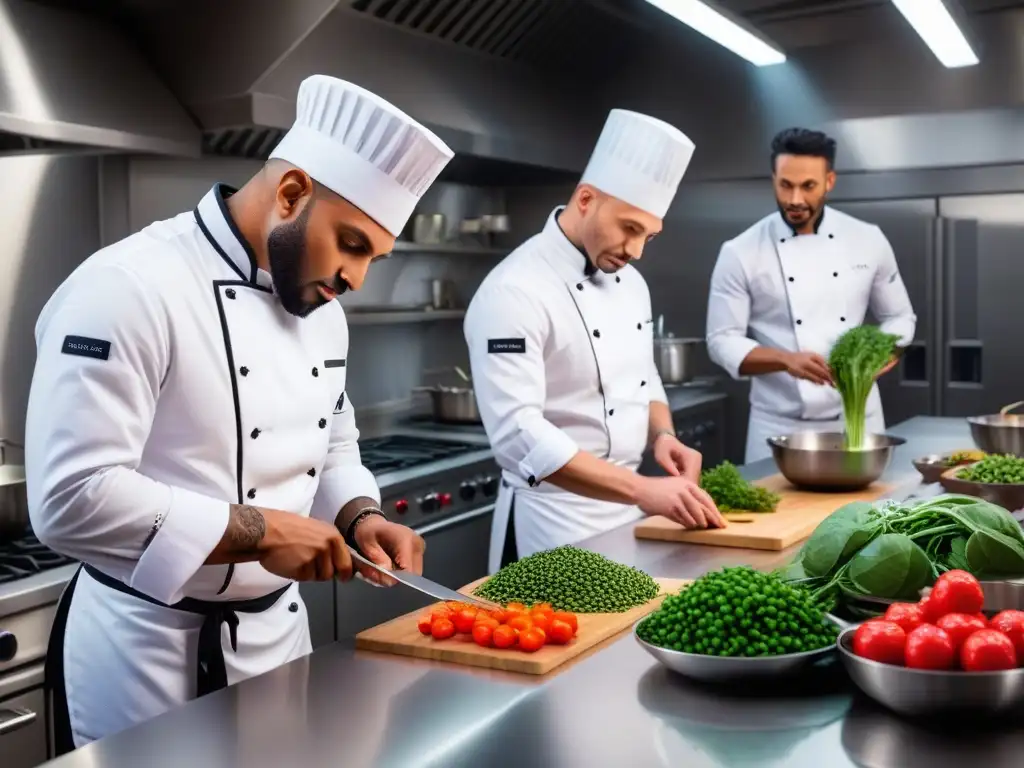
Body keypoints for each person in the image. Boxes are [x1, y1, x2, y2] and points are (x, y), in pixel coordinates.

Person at [24, 74, 453, 749]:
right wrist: (259, 531)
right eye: (351, 244)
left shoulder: (322, 311)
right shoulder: (128, 288)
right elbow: (69, 499)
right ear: (291, 193)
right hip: (146, 654)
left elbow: (334, 442)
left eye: (374, 254)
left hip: (277, 637)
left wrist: (360, 514)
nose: (357, 278)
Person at [464, 109, 726, 573]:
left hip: (627, 513)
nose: (636, 250)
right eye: (629, 228)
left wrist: (662, 434)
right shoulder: (513, 291)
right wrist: (643, 488)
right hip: (551, 520)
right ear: (586, 199)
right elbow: (518, 435)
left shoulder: (633, 283)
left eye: (648, 235)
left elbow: (643, 377)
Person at [705, 127, 917, 464]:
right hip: (776, 426)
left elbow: (900, 317)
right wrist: (786, 360)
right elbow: (721, 340)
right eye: (785, 185)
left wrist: (887, 351)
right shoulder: (740, 251)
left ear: (829, 181)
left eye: (808, 186)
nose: (795, 200)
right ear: (773, 178)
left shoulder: (868, 239)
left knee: (866, 515)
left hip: (859, 418)